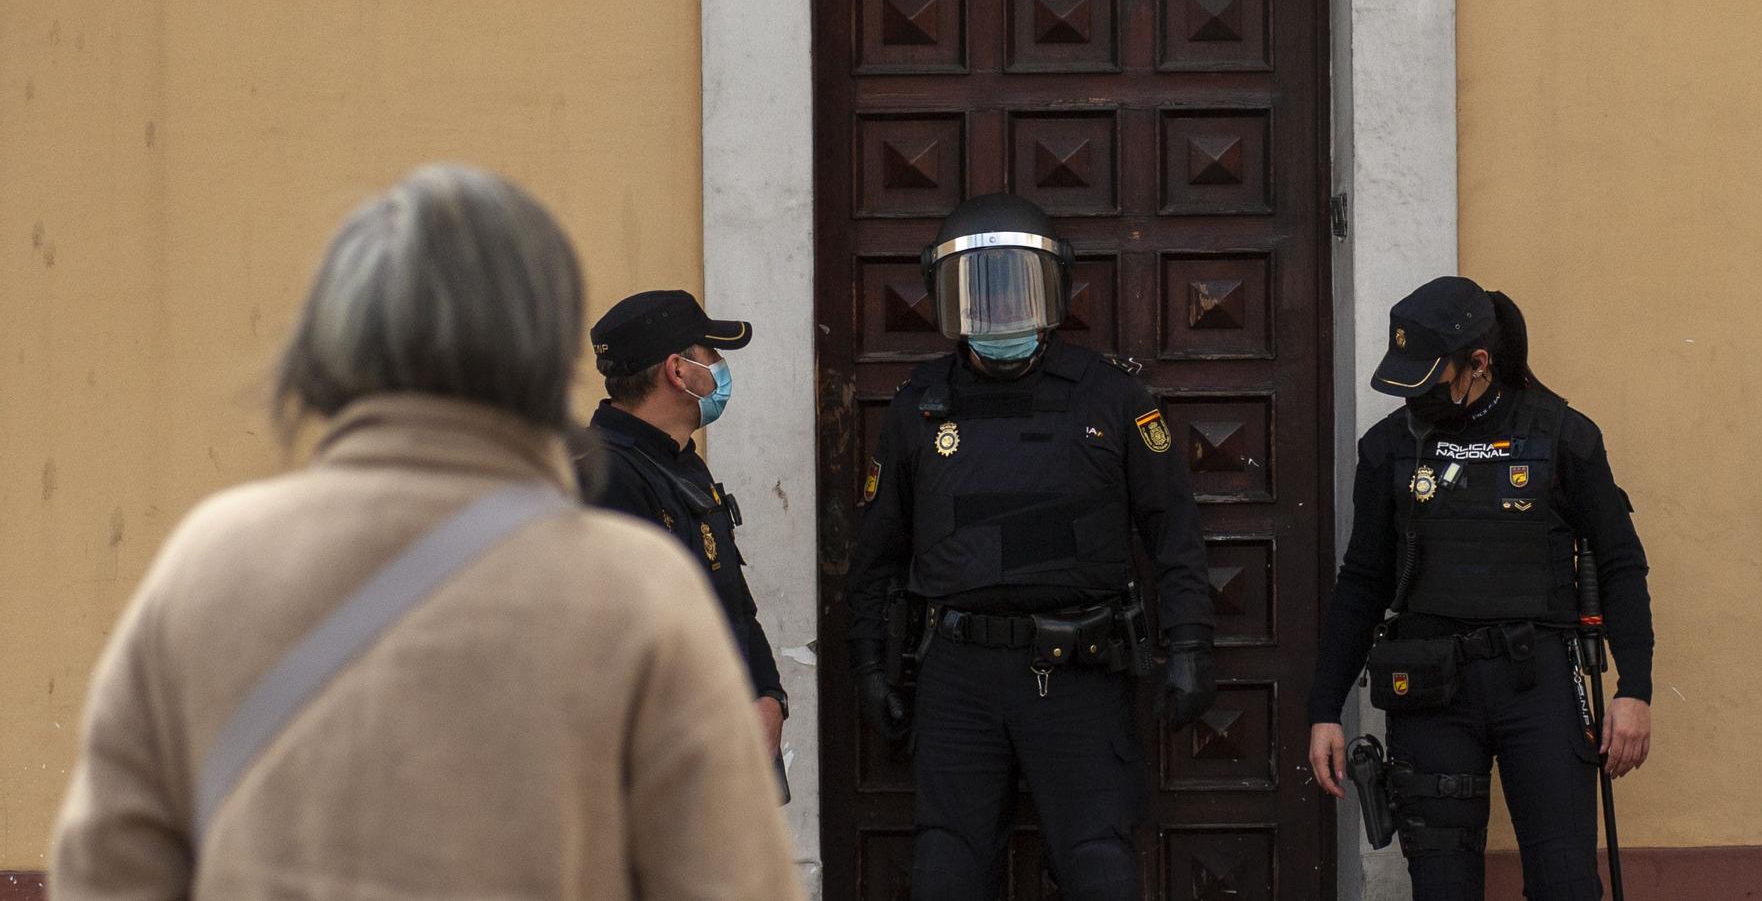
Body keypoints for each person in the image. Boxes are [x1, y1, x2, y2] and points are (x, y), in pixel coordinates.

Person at [48, 165, 803, 901]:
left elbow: (107, 869)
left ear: (331, 347)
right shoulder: (629, 581)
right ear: (536, 351)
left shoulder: (208, 562)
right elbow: (728, 874)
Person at [846, 193, 1216, 901]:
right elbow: (879, 552)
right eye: (977, 293)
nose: (999, 312)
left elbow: (1172, 531)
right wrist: (869, 664)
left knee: (1098, 863)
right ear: (944, 299)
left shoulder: (1111, 397)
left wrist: (1191, 644)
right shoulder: (919, 407)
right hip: (957, 672)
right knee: (946, 868)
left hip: (1076, 667)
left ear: (1055, 289)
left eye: (1017, 288)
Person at [1306, 275, 1653, 901]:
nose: (1417, 398)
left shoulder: (1562, 436)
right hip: (1431, 692)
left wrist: (1635, 691)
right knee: (1441, 889)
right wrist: (1325, 708)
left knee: (1566, 884)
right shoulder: (1388, 449)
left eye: (1430, 378)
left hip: (1538, 683)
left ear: (1479, 365)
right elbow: (1362, 582)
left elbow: (1621, 563)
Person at [580, 289, 786, 757]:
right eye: (711, 355)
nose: (720, 367)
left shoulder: (678, 460)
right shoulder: (604, 477)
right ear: (678, 371)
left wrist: (771, 699)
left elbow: (732, 600)